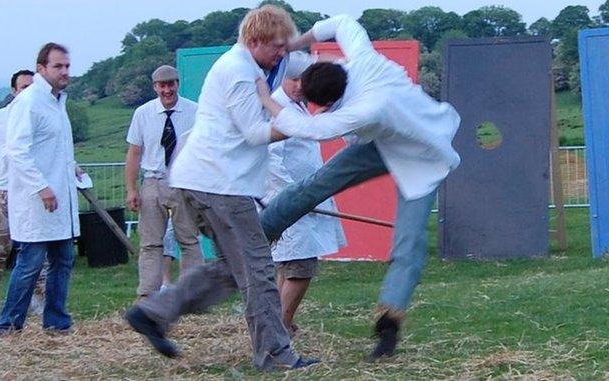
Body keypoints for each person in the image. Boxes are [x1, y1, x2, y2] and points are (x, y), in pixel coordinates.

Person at [256, 14, 461, 361]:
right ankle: (257, 233)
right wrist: (292, 44)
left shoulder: (365, 109)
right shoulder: (360, 59)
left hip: (423, 156)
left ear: (329, 103)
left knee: (409, 243)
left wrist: (264, 96)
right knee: (316, 185)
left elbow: (311, 129)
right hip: (383, 142)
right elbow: (340, 22)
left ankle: (389, 324)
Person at [125, 5, 318, 371]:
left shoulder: (258, 63)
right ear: (255, 41)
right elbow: (256, 133)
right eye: (278, 46)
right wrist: (304, 127)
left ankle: (153, 313)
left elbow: (295, 71)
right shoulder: (238, 73)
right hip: (218, 185)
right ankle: (275, 355)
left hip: (208, 181)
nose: (283, 53)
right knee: (259, 270)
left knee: (233, 267)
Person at [0, 42, 81, 334]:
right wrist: (42, 187)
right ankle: (10, 324)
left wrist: (72, 169)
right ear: (41, 69)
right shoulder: (29, 101)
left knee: (63, 261)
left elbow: (56, 150)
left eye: (67, 66)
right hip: (37, 200)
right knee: (30, 265)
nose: (64, 71)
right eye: (58, 66)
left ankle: (56, 321)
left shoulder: (58, 102)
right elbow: (17, 150)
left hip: (61, 199)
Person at [263, 71, 346, 336]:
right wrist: (295, 198)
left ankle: (277, 322)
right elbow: (270, 162)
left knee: (289, 265)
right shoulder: (277, 109)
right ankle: (280, 328)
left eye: (303, 81)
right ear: (282, 79)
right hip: (289, 201)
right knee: (300, 265)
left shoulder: (297, 108)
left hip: (303, 198)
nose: (299, 86)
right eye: (293, 80)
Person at [125, 65, 203, 299]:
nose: (167, 90)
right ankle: (148, 294)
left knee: (189, 239)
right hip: (153, 180)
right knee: (150, 242)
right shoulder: (143, 113)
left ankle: (190, 294)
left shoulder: (195, 111)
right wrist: (131, 189)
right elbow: (134, 152)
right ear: (155, 87)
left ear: (178, 84)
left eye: (171, 84)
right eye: (162, 85)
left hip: (184, 181)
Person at [0, 69, 47, 316]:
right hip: (3, 191)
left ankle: (39, 304)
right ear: (14, 91)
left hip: (32, 191)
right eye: (23, 87)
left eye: (32, 87)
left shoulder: (41, 117)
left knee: (37, 251)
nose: (27, 92)